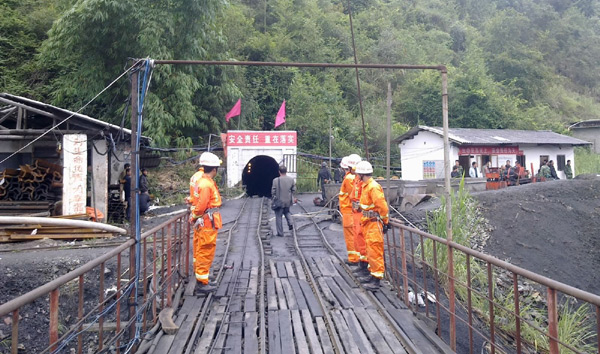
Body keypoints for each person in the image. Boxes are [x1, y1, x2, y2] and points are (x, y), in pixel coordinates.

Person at [189, 152, 223, 293]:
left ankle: (202, 274)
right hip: (207, 221)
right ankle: (202, 282)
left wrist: (195, 215)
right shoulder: (206, 184)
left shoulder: (201, 181)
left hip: (205, 220)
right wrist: (195, 216)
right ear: (214, 169)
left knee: (200, 248)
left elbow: (198, 201)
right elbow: (202, 204)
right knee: (205, 249)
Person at [355, 160, 389, 291]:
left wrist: (385, 221)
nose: (357, 176)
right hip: (368, 223)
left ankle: (376, 281)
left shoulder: (373, 187)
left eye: (358, 174)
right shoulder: (366, 186)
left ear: (362, 174)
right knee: (370, 250)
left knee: (375, 251)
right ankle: (372, 274)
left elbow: (382, 207)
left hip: (374, 224)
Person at [338, 156, 359, 266]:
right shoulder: (351, 178)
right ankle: (356, 258)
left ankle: (354, 258)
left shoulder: (349, 179)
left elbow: (354, 197)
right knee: (354, 235)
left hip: (349, 212)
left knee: (351, 236)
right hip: (350, 212)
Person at [272, 165, 296, 237]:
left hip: (279, 201)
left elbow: (273, 191)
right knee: (287, 212)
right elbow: (294, 189)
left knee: (278, 217)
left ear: (279, 172)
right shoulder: (291, 179)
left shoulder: (276, 180)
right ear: (286, 171)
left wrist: (274, 198)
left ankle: (280, 233)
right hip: (288, 201)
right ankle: (291, 223)